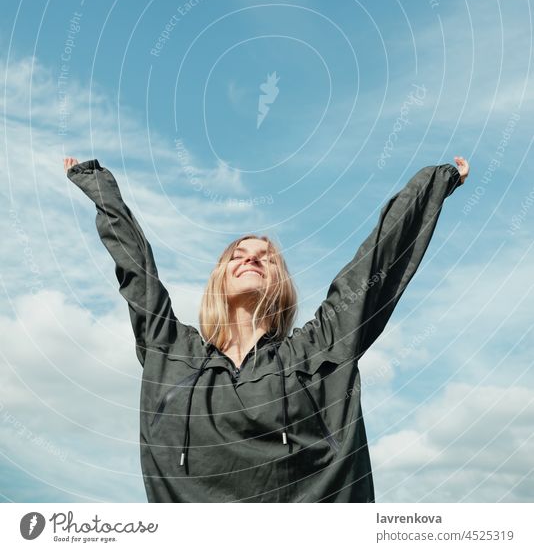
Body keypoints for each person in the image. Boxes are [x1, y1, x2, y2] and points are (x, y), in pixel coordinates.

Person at [64, 154, 469, 503]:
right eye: (237, 255)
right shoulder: (173, 355)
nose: (251, 260)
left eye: (266, 257)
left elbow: (376, 262)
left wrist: (435, 181)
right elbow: (138, 272)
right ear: (220, 278)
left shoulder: (318, 348)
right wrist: (96, 183)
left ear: (282, 282)